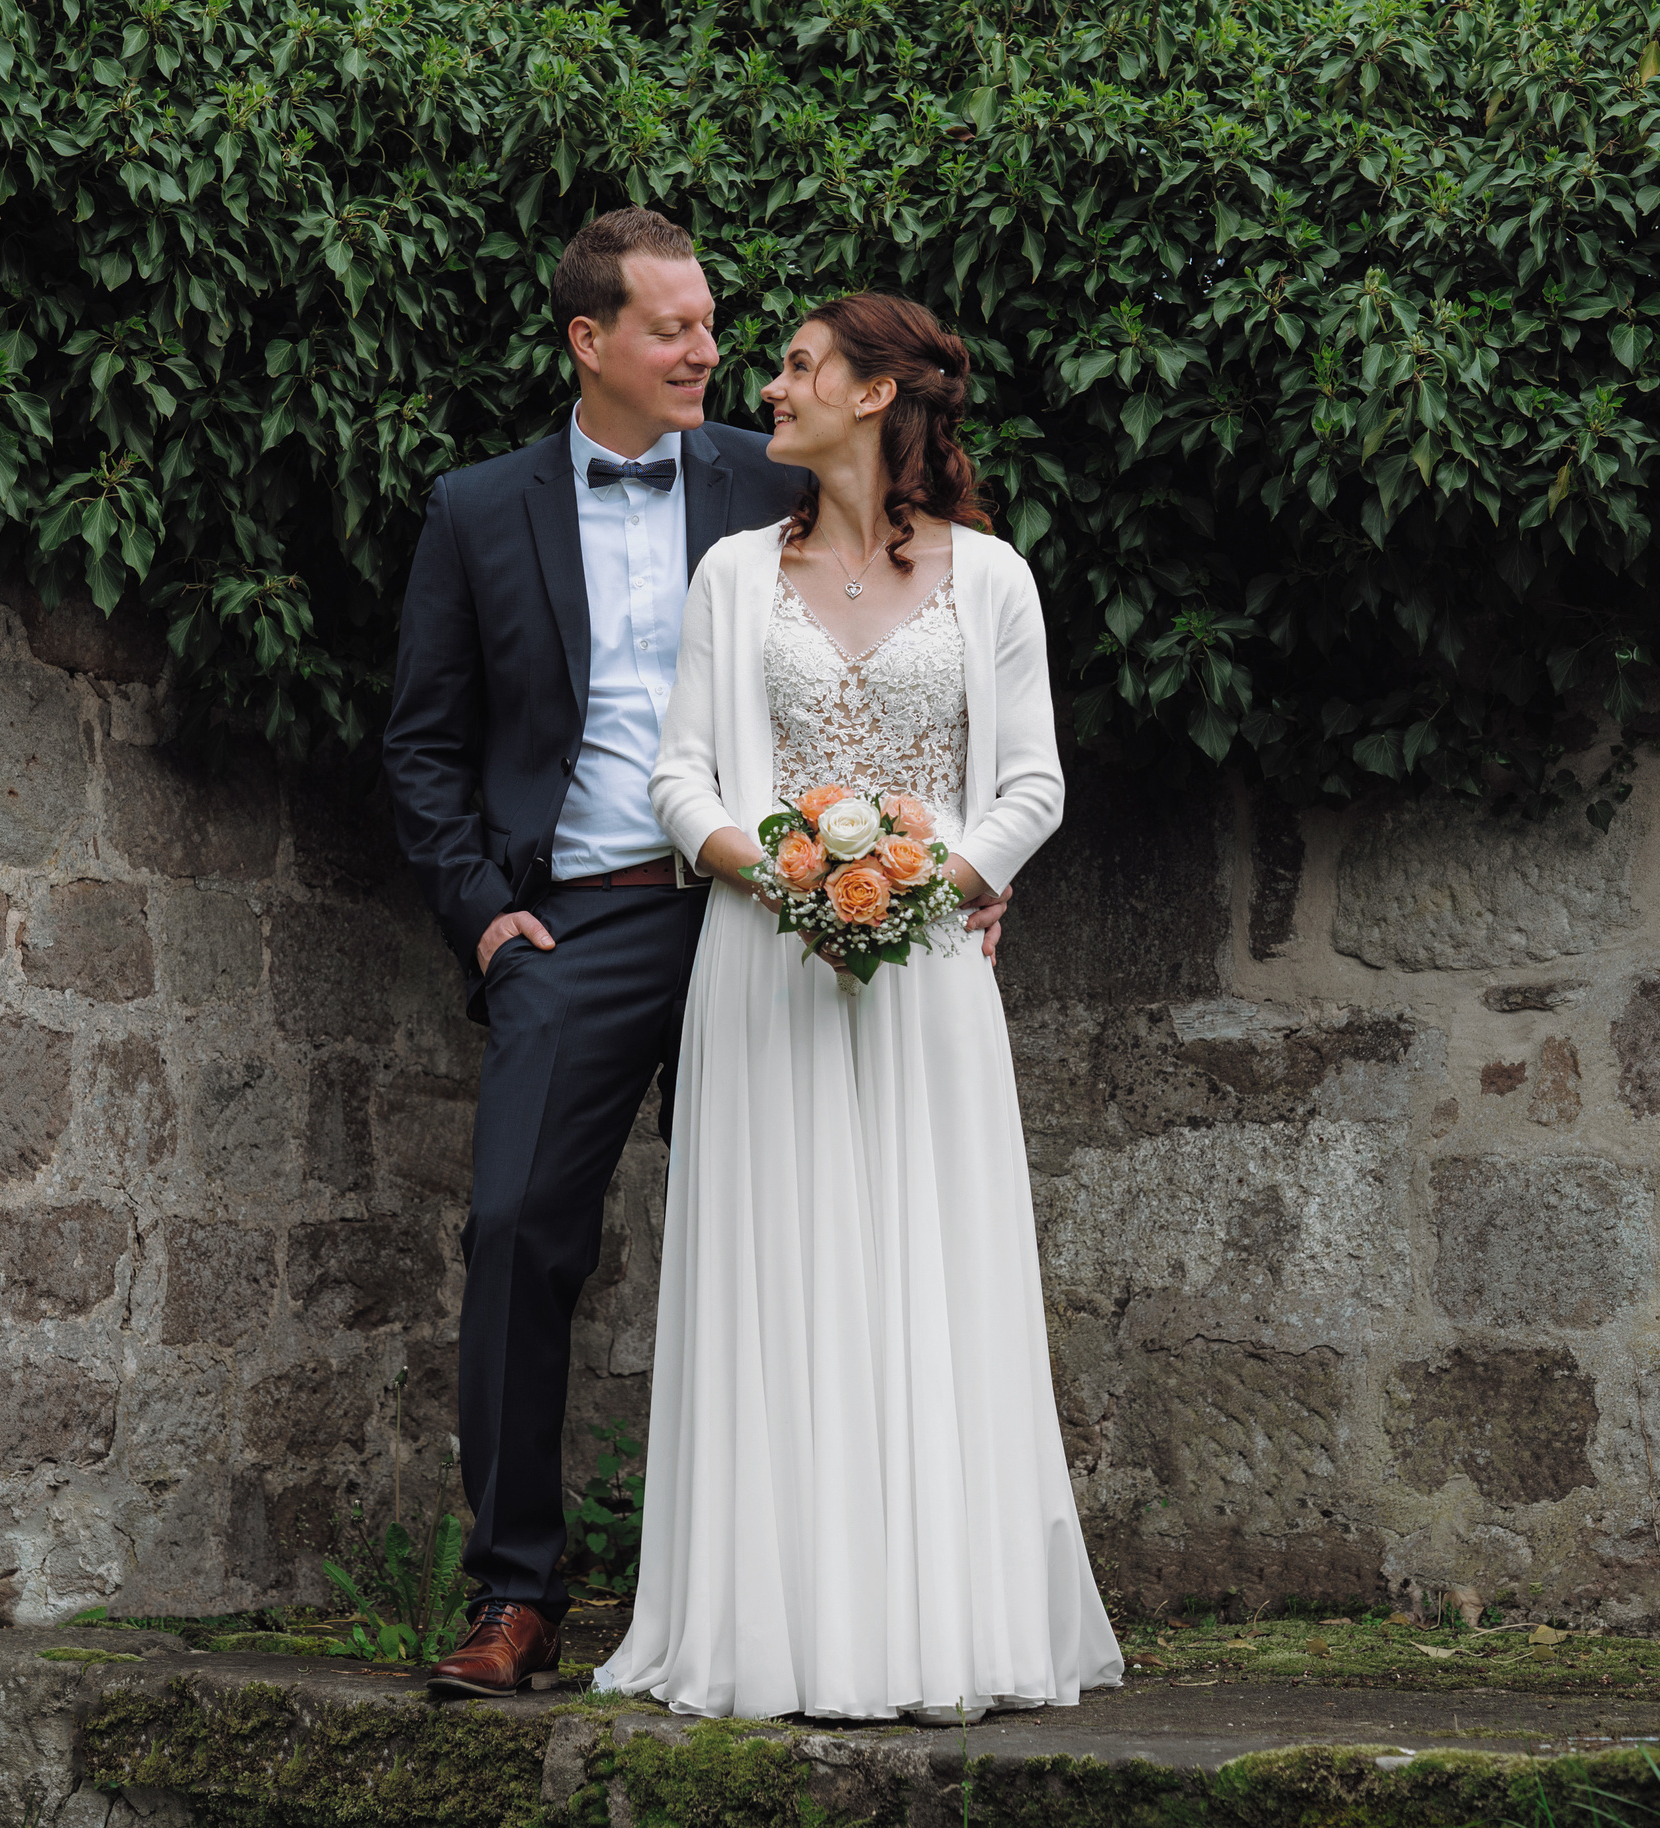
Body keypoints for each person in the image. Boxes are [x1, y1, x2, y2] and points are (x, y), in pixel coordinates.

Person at [383, 216, 1007, 1699]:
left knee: (829, 1239)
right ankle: (517, 1596)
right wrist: (485, 913)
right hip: (585, 914)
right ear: (588, 342)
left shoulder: (768, 467)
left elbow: (931, 667)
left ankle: (839, 1600)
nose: (709, 354)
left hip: (783, 922)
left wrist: (947, 872)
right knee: (521, 1230)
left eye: (715, 325)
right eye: (672, 329)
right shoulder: (477, 511)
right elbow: (421, 746)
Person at [598, 293, 1124, 1723]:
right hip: (760, 971)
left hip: (926, 978)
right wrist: (786, 879)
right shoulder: (729, 576)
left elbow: (1030, 787)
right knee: (778, 1274)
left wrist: (910, 889)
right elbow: (680, 779)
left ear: (878, 394)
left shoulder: (992, 581)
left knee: (926, 1275)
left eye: (800, 366)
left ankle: (938, 1623)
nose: (770, 384)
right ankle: (772, 1630)